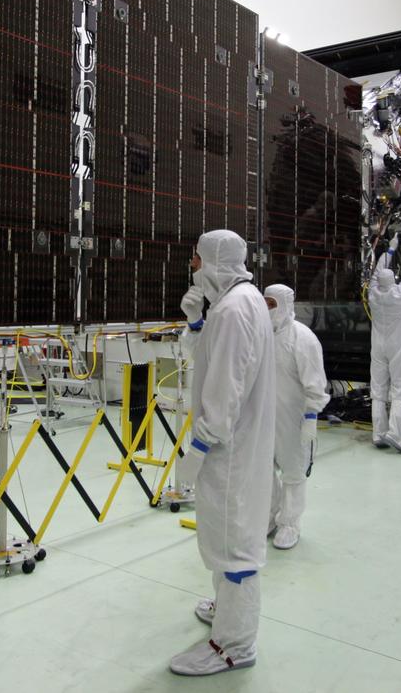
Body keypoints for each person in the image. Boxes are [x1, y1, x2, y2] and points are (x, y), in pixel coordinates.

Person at [171, 229, 275, 676]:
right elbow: (213, 361)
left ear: (213, 259)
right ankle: (226, 610)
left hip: (228, 449)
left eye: (196, 259)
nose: (192, 266)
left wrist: (196, 450)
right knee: (225, 535)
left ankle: (234, 644)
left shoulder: (234, 310)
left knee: (234, 546)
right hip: (234, 444)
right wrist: (196, 323)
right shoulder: (237, 302)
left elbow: (224, 391)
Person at [263, 284, 329, 550]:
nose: (267, 309)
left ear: (286, 305)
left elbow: (315, 383)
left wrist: (311, 417)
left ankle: (290, 524)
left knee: (292, 471)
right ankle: (270, 516)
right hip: (263, 417)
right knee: (263, 469)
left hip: (293, 419)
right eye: (265, 303)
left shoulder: (303, 338)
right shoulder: (261, 334)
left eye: (272, 304)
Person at [368, 234, 401, 453]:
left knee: (378, 389)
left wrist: (389, 250)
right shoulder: (400, 293)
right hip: (397, 346)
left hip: (378, 346)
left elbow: (377, 272)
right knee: (399, 388)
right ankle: (396, 434)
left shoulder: (372, 294)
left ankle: (378, 433)